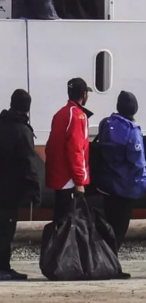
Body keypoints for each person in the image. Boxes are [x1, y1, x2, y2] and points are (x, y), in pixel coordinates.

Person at [94, 91, 146, 278]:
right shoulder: (132, 130)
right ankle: (111, 266)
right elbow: (138, 162)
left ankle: (103, 262)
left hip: (106, 185)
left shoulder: (106, 124)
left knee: (109, 226)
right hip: (124, 187)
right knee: (119, 230)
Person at [0, 90, 41, 281]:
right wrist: (34, 191)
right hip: (9, 191)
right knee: (6, 230)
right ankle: (3, 268)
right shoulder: (22, 131)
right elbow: (29, 163)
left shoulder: (2, 125)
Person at [45, 78, 92, 224]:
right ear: (84, 95)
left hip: (59, 177)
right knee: (68, 222)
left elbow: (51, 145)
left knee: (59, 219)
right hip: (69, 179)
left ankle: (56, 245)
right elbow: (76, 150)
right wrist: (79, 180)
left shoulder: (61, 113)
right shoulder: (78, 116)